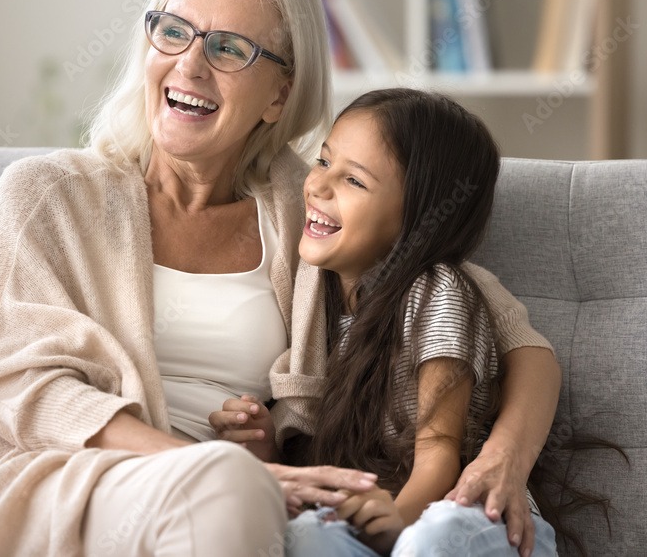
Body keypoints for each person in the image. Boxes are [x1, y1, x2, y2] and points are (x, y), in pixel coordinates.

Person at [0, 0, 560, 557]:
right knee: (231, 492)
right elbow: (21, 385)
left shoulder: (311, 208)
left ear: (278, 95)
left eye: (229, 48)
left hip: (244, 506)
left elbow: (509, 333)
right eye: (173, 32)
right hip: (73, 481)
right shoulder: (48, 195)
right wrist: (211, 466)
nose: (190, 64)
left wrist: (503, 456)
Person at [215, 89, 559, 556]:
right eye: (323, 161)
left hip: (472, 516)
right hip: (384, 517)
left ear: (417, 219)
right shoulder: (314, 302)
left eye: (354, 181)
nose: (317, 186)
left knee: (432, 537)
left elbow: (439, 452)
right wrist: (265, 448)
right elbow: (327, 462)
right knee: (305, 535)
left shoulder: (434, 291)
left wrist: (399, 522)